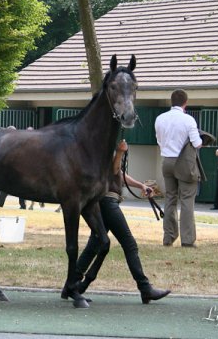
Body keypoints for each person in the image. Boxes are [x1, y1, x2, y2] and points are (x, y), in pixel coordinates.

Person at [72, 140, 171, 304]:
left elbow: (120, 174)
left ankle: (72, 284)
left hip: (105, 202)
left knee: (95, 244)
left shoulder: (99, 147)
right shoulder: (103, 148)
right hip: (108, 202)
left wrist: (140, 185)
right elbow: (114, 170)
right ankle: (145, 288)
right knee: (129, 244)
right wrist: (119, 152)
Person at [154, 89, 202, 248]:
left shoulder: (160, 118)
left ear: (171, 101)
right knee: (187, 199)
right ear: (185, 103)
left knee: (170, 199)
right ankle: (187, 240)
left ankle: (168, 237)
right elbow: (197, 143)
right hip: (184, 162)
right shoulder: (188, 120)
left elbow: (159, 141)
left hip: (167, 160)